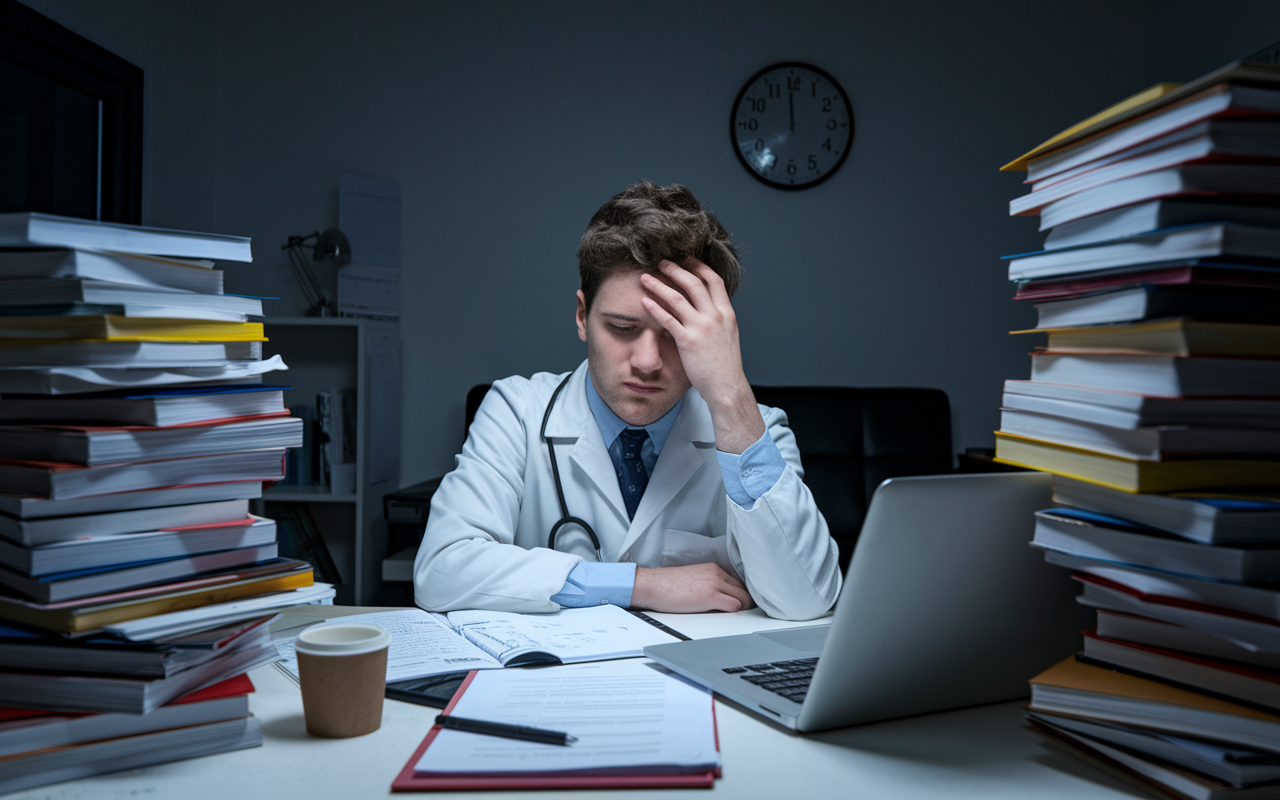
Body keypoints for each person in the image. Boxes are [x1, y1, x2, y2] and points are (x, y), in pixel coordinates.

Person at [413, 181, 841, 620]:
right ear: (583, 316)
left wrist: (731, 394)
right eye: (622, 328)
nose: (647, 361)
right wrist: (640, 584)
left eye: (675, 334)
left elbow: (806, 602)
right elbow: (441, 571)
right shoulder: (517, 411)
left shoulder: (757, 432)